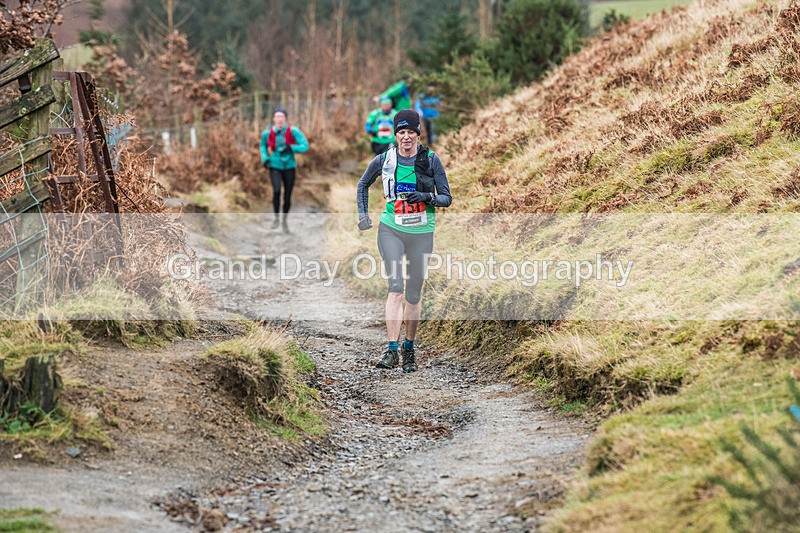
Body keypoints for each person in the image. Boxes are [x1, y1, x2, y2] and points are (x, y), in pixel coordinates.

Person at [355, 109, 452, 372]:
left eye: (411, 132)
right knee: (395, 288)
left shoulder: (431, 160)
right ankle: (391, 350)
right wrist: (363, 215)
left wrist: (427, 197)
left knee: (413, 293)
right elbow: (363, 184)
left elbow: (446, 197)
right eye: (402, 132)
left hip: (421, 233)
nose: (406, 137)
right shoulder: (385, 159)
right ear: (395, 135)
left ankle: (409, 348)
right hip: (391, 230)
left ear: (418, 134)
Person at [260, 108, 309, 233]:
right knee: (276, 191)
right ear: (274, 119)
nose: (279, 119)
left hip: (289, 166)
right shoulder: (268, 133)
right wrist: (265, 158)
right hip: (275, 165)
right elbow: (263, 146)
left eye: (281, 116)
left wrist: (292, 148)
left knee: (287, 196)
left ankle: (284, 221)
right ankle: (276, 218)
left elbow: (305, 145)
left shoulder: (293, 131)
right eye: (277, 116)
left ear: (285, 118)